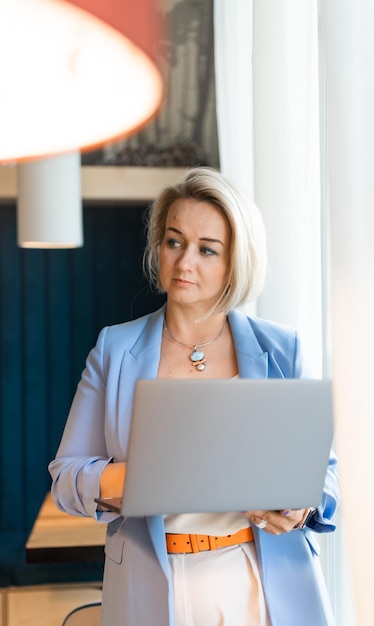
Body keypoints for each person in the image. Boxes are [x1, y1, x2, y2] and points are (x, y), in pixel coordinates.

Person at [49, 167, 339, 626]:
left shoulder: (283, 349)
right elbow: (66, 480)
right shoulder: (115, 348)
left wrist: (298, 507)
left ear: (235, 262)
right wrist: (133, 480)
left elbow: (324, 475)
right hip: (153, 584)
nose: (185, 263)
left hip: (261, 580)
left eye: (207, 250)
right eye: (174, 241)